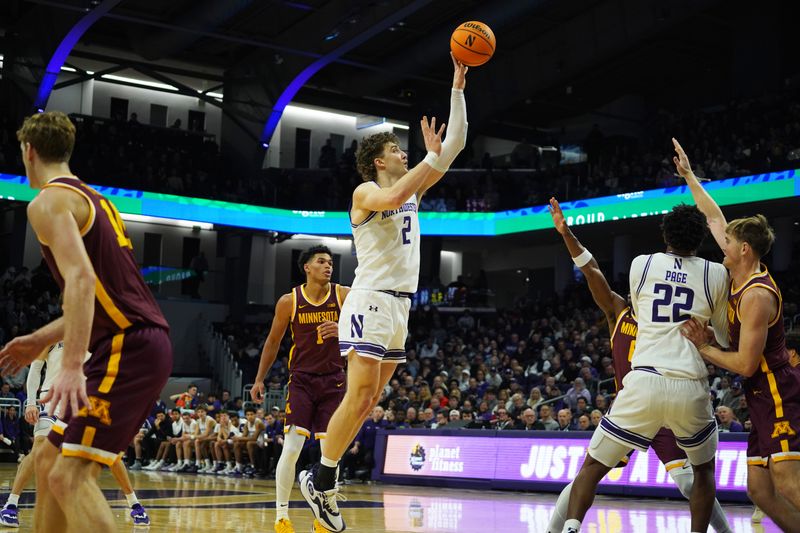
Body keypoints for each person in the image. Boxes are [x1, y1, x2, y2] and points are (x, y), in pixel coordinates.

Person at [298, 53, 469, 533]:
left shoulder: (412, 190)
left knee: (370, 399)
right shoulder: (365, 193)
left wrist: (457, 88)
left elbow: (454, 144)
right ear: (379, 160)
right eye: (397, 150)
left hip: (399, 306)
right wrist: (431, 160)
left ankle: (324, 475)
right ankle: (321, 475)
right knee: (360, 393)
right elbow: (394, 197)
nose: (405, 154)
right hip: (371, 298)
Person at [0, 112, 172, 533]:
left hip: (126, 347)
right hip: (134, 341)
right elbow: (99, 297)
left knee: (68, 476)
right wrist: (39, 338)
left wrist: (72, 363)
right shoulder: (97, 199)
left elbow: (81, 279)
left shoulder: (47, 201)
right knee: (46, 458)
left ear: (29, 151)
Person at [546, 197, 731, 533]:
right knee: (702, 473)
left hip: (643, 390)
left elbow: (594, 266)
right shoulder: (619, 310)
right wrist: (567, 235)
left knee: (597, 468)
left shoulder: (642, 268)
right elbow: (592, 272)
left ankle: (571, 527)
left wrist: (568, 234)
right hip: (683, 387)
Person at [675, 137, 800, 530]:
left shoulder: (757, 295)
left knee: (787, 481)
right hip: (760, 393)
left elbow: (746, 364)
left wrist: (704, 345)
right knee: (759, 491)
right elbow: (713, 216)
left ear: (744, 249)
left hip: (777, 388)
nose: (721, 243)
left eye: (729, 242)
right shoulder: (738, 270)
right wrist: (689, 176)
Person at [249, 245, 349, 533]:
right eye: (321, 261)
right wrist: (259, 379)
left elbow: (367, 326)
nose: (328, 266)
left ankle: (323, 515)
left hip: (334, 381)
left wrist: (343, 329)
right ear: (307, 267)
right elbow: (272, 342)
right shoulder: (288, 301)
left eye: (330, 262)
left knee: (332, 451)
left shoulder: (343, 295)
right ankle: (282, 516)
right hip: (302, 380)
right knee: (292, 448)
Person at [0, 342, 151, 527]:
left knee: (111, 454)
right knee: (39, 448)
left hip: (85, 401)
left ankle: (135, 504)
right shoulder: (53, 336)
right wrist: (31, 402)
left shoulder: (100, 338)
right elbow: (35, 368)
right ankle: (11, 505)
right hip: (52, 399)